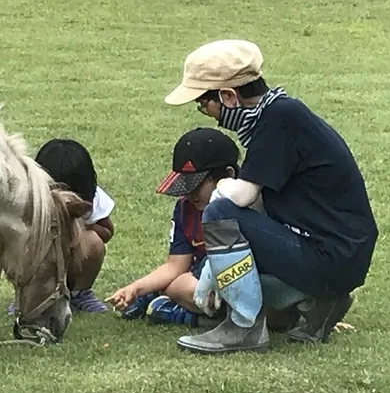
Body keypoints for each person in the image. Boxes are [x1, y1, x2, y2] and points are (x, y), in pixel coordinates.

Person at [161, 39, 378, 354]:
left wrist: (220, 194)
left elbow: (242, 197)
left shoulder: (278, 119)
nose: (206, 113)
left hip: (330, 257)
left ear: (227, 96)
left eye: (203, 104)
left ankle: (243, 326)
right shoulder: (280, 115)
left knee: (220, 213)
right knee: (233, 221)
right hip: (343, 255)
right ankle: (322, 303)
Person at [106, 127, 240, 327]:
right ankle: (171, 303)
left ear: (228, 175)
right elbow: (175, 266)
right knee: (178, 285)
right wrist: (135, 288)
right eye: (184, 186)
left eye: (196, 185)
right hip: (202, 280)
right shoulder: (185, 208)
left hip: (241, 277)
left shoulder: (248, 204)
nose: (188, 194)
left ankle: (183, 312)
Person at [12, 138, 115, 313]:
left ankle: (80, 293)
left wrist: (81, 225)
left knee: (93, 242)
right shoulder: (31, 199)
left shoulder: (90, 198)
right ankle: (28, 295)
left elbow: (107, 232)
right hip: (42, 260)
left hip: (74, 261)